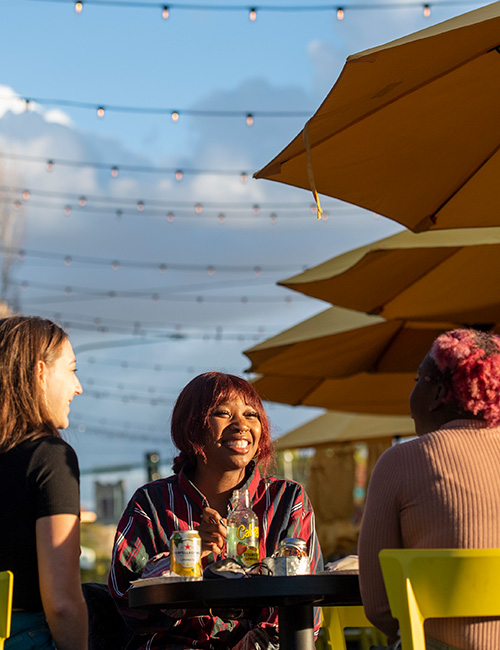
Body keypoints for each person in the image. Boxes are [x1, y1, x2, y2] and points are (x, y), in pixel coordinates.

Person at [108, 371, 322, 650]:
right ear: (192, 426)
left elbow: (305, 609)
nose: (241, 425)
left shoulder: (288, 499)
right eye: (223, 413)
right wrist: (187, 557)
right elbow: (127, 600)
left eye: (251, 415)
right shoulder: (152, 503)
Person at [358, 328, 500, 650]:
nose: (412, 397)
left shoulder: (400, 461)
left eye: (417, 381)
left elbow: (380, 606)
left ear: (437, 394)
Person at [0, 315, 88, 650]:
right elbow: (62, 603)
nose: (78, 387)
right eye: (71, 370)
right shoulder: (49, 457)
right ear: (40, 373)